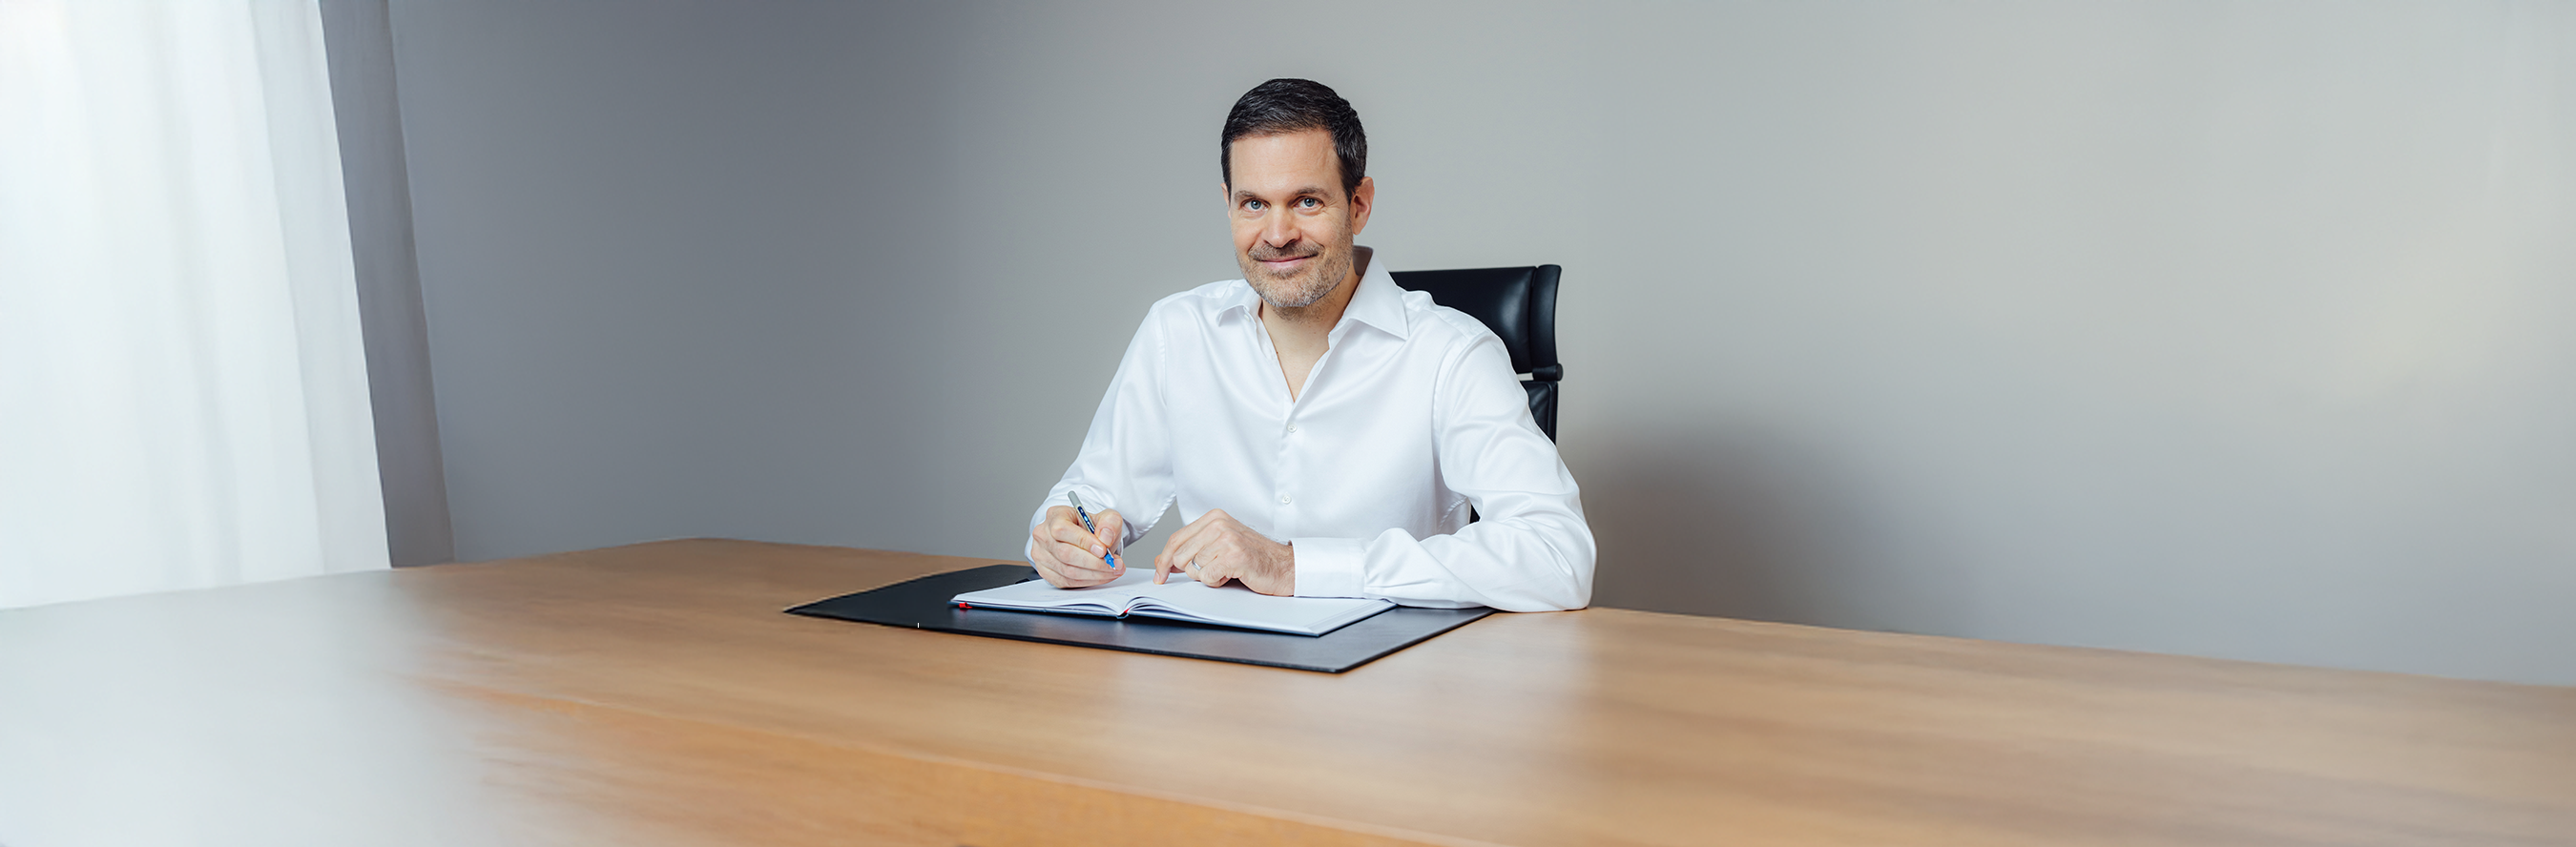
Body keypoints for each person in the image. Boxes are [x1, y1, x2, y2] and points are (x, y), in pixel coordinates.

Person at [1024, 78, 1594, 611]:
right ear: (1227, 203)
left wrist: (1294, 566)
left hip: (1390, 688)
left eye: (1307, 202)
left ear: (1360, 204)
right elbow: (1091, 494)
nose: (1277, 235)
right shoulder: (1177, 332)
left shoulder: (1451, 353)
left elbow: (1557, 556)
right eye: (1253, 204)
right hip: (1212, 679)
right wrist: (1063, 537)